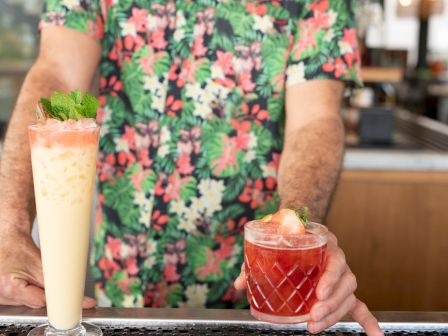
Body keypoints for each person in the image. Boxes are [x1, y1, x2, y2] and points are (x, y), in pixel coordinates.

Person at [0, 0, 382, 334]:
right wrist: (10, 227)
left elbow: (313, 120)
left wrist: (295, 235)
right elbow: (59, 71)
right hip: (118, 293)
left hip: (252, 299)